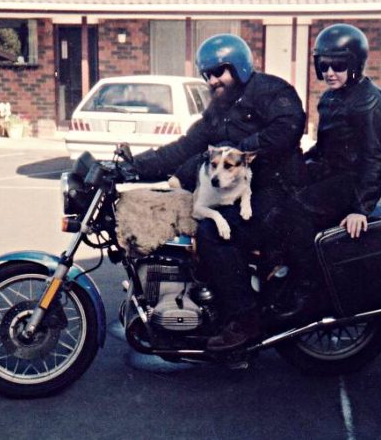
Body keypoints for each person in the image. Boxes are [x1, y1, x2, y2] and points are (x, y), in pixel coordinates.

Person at [130, 34, 306, 351]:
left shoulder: (272, 91)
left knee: (212, 232)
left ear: (238, 66)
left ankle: (245, 319)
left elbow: (288, 128)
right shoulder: (219, 109)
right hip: (242, 192)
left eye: (219, 71)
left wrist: (240, 149)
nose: (213, 80)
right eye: (207, 74)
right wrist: (132, 166)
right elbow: (186, 146)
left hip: (278, 193)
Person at [268, 23, 381, 316]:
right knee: (271, 192)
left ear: (355, 63)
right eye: (323, 64)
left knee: (295, 211)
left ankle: (305, 285)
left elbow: (375, 159)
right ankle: (276, 269)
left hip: (350, 183)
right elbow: (323, 148)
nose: (329, 72)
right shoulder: (331, 98)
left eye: (338, 65)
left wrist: (359, 209)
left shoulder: (370, 102)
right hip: (330, 174)